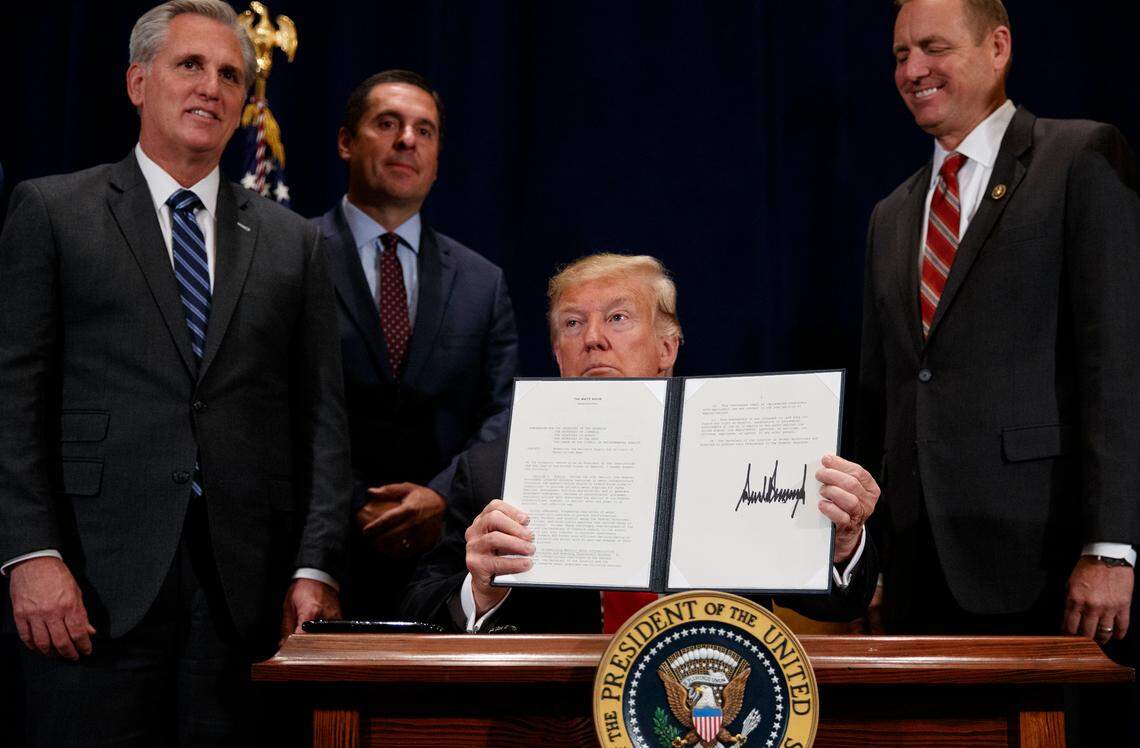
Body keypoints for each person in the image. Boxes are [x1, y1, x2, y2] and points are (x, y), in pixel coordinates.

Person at [0, 1, 350, 742]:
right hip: (89, 587)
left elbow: (322, 419)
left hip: (244, 599)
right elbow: (13, 401)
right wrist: (30, 554)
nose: (212, 87)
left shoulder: (295, 243)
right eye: (189, 65)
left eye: (230, 75)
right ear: (138, 82)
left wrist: (316, 565)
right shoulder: (54, 212)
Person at [402, 253, 881, 632]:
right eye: (572, 323)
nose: (592, 338)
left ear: (666, 349)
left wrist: (839, 545)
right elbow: (421, 608)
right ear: (557, 355)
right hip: (554, 715)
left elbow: (836, 606)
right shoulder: (491, 471)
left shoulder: (744, 453)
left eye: (617, 318)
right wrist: (482, 588)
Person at [858, 0, 1138, 639]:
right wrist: (871, 563)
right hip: (912, 570)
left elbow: (1118, 363)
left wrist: (1111, 545)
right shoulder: (892, 214)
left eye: (934, 47)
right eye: (901, 55)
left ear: (998, 48)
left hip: (1044, 560)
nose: (913, 70)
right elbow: (880, 401)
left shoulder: (1080, 157)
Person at [313, 70, 518, 619]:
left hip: (446, 558)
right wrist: (358, 503)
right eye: (388, 123)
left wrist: (441, 497)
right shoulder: (290, 256)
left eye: (424, 131)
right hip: (316, 556)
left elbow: (502, 410)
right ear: (345, 141)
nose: (408, 140)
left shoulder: (482, 281)